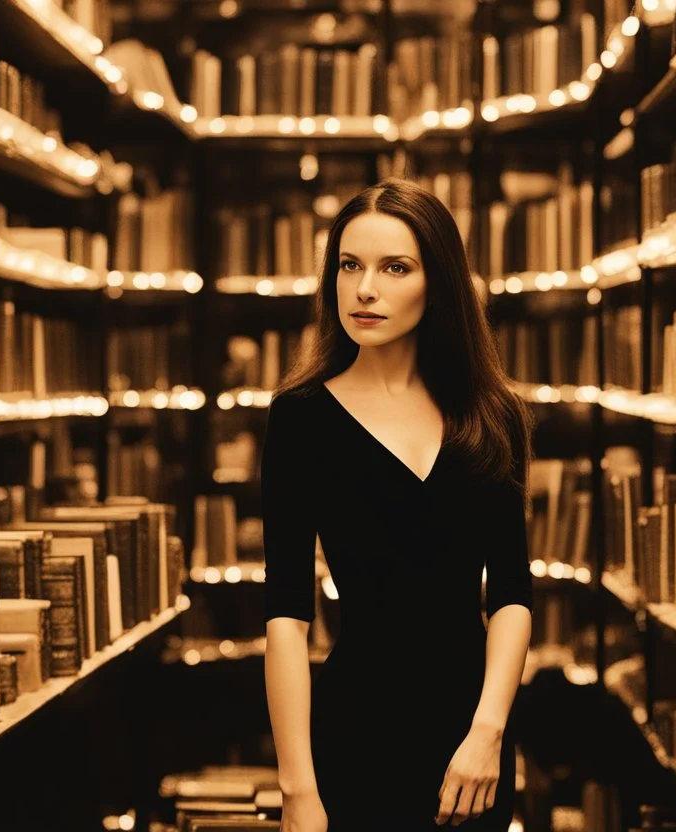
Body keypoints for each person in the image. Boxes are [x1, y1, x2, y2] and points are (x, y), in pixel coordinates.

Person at [262, 178, 534, 831]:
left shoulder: (493, 415)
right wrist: (298, 789)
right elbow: (285, 617)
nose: (364, 289)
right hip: (353, 733)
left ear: (436, 282)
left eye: (395, 268)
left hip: (474, 742)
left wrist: (488, 733)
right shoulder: (301, 418)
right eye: (349, 265)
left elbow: (512, 594)